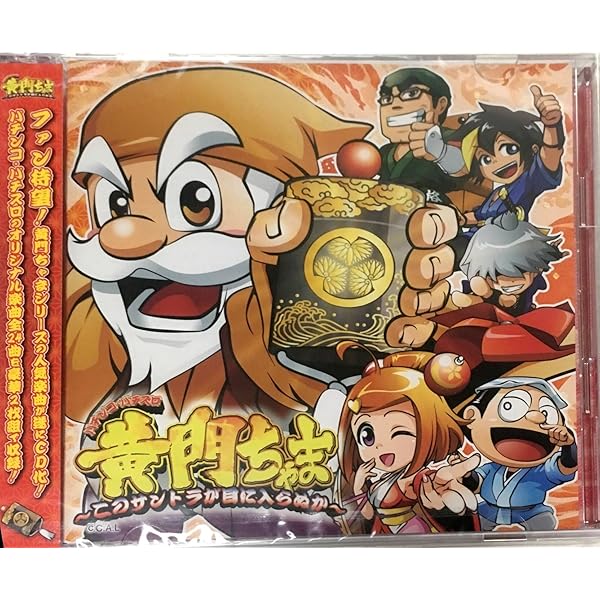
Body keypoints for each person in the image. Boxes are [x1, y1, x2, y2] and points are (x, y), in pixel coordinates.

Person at [336, 343, 480, 535]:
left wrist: (445, 486)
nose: (380, 445)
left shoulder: (419, 477)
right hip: (383, 534)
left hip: (414, 533)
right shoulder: (381, 478)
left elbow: (434, 480)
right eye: (367, 435)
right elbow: (368, 514)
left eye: (399, 432)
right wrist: (358, 487)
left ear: (431, 428)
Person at [460, 376, 577, 531]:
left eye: (547, 412)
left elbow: (567, 467)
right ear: (473, 417)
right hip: (489, 512)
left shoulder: (542, 471)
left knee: (544, 522)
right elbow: (476, 485)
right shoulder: (491, 469)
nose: (537, 417)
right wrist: (466, 473)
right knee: (468, 522)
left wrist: (569, 446)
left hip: (531, 514)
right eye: (510, 406)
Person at [454, 85, 565, 236]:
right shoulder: (498, 193)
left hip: (505, 244)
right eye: (486, 159)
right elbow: (479, 217)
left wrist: (552, 125)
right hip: (477, 240)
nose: (497, 162)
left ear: (533, 149)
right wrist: (462, 219)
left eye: (509, 149)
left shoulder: (528, 181)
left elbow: (550, 155)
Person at [377, 67, 467, 201]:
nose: (395, 105)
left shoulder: (448, 139)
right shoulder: (385, 152)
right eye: (386, 99)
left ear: (440, 105)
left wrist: (441, 153)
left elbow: (468, 167)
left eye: (411, 94)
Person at [454, 211, 566, 315]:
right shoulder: (486, 284)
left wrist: (553, 253)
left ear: (536, 270)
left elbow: (538, 259)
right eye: (496, 274)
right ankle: (476, 300)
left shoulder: (533, 268)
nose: (509, 280)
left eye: (521, 270)